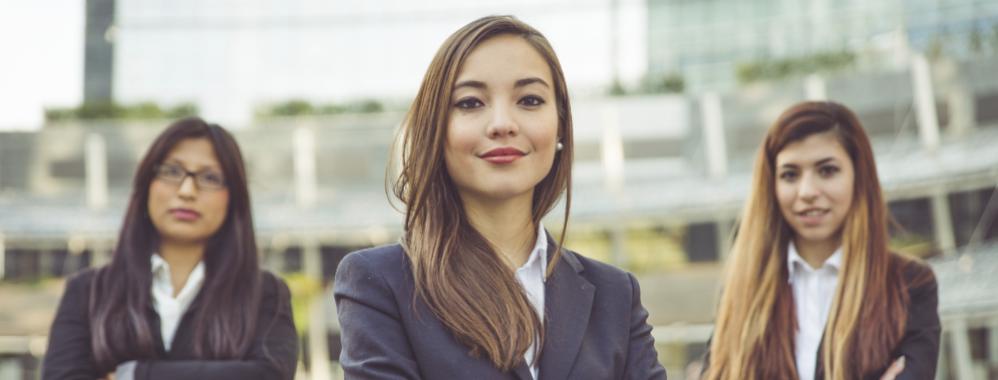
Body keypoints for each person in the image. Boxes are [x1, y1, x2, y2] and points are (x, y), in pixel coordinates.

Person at [334, 15, 666, 380]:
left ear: (560, 128)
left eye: (530, 99)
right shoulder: (379, 283)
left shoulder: (615, 294)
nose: (502, 123)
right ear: (436, 131)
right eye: (471, 103)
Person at [42, 117, 298, 380]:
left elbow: (269, 375)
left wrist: (135, 374)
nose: (187, 191)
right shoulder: (87, 292)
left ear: (234, 197)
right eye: (172, 172)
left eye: (210, 177)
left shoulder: (265, 294)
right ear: (146, 183)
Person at [701, 101, 940, 380]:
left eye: (827, 171)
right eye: (790, 175)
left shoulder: (910, 284)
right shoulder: (740, 290)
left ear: (858, 177)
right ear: (772, 186)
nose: (807, 192)